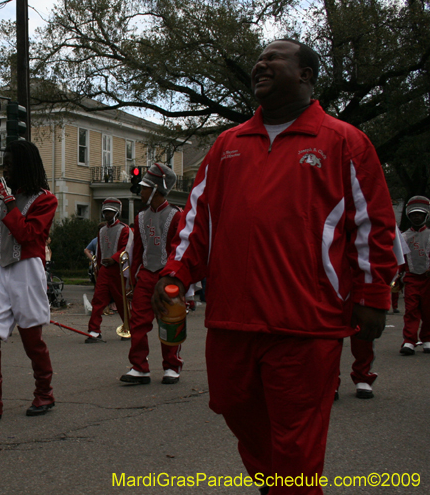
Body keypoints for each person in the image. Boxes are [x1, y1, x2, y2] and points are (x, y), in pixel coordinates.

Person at [154, 39, 398, 495]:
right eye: (258, 59)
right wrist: (177, 271)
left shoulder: (344, 141)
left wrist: (372, 296)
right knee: (240, 418)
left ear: (306, 75)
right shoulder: (227, 144)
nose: (260, 64)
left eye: (274, 58)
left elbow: (373, 226)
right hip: (232, 322)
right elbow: (195, 220)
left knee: (296, 443)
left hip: (305, 326)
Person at [0, 140, 58, 425]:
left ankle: (44, 393)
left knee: (32, 340)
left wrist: (8, 203)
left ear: (23, 166)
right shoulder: (1, 198)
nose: (4, 170)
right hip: (2, 269)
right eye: (3, 164)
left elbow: (26, 235)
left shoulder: (45, 199)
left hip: (27, 270)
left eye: (9, 164)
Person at [119, 164, 183, 384]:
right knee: (138, 322)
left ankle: (172, 366)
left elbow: (179, 250)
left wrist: (179, 280)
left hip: (167, 277)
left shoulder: (176, 216)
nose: (141, 191)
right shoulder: (140, 217)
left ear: (157, 189)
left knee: (169, 321)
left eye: (146, 187)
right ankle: (140, 367)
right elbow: (137, 251)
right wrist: (132, 280)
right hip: (145, 275)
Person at [85, 198, 130, 343]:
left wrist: (114, 259)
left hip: (118, 270)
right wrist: (97, 267)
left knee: (121, 301)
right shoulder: (102, 230)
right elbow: (99, 251)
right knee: (98, 300)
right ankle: (94, 330)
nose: (106, 214)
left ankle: (129, 328)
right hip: (104, 270)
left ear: (116, 212)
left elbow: (126, 248)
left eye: (109, 212)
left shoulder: (124, 229)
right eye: (105, 212)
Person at [399, 196, 430, 355]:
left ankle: (427, 339)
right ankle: (409, 340)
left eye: (420, 214)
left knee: (428, 310)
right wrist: (397, 278)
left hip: (428, 280)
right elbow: (400, 260)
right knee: (411, 310)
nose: (417, 217)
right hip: (411, 278)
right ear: (409, 216)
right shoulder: (403, 237)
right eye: (413, 214)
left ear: (426, 216)